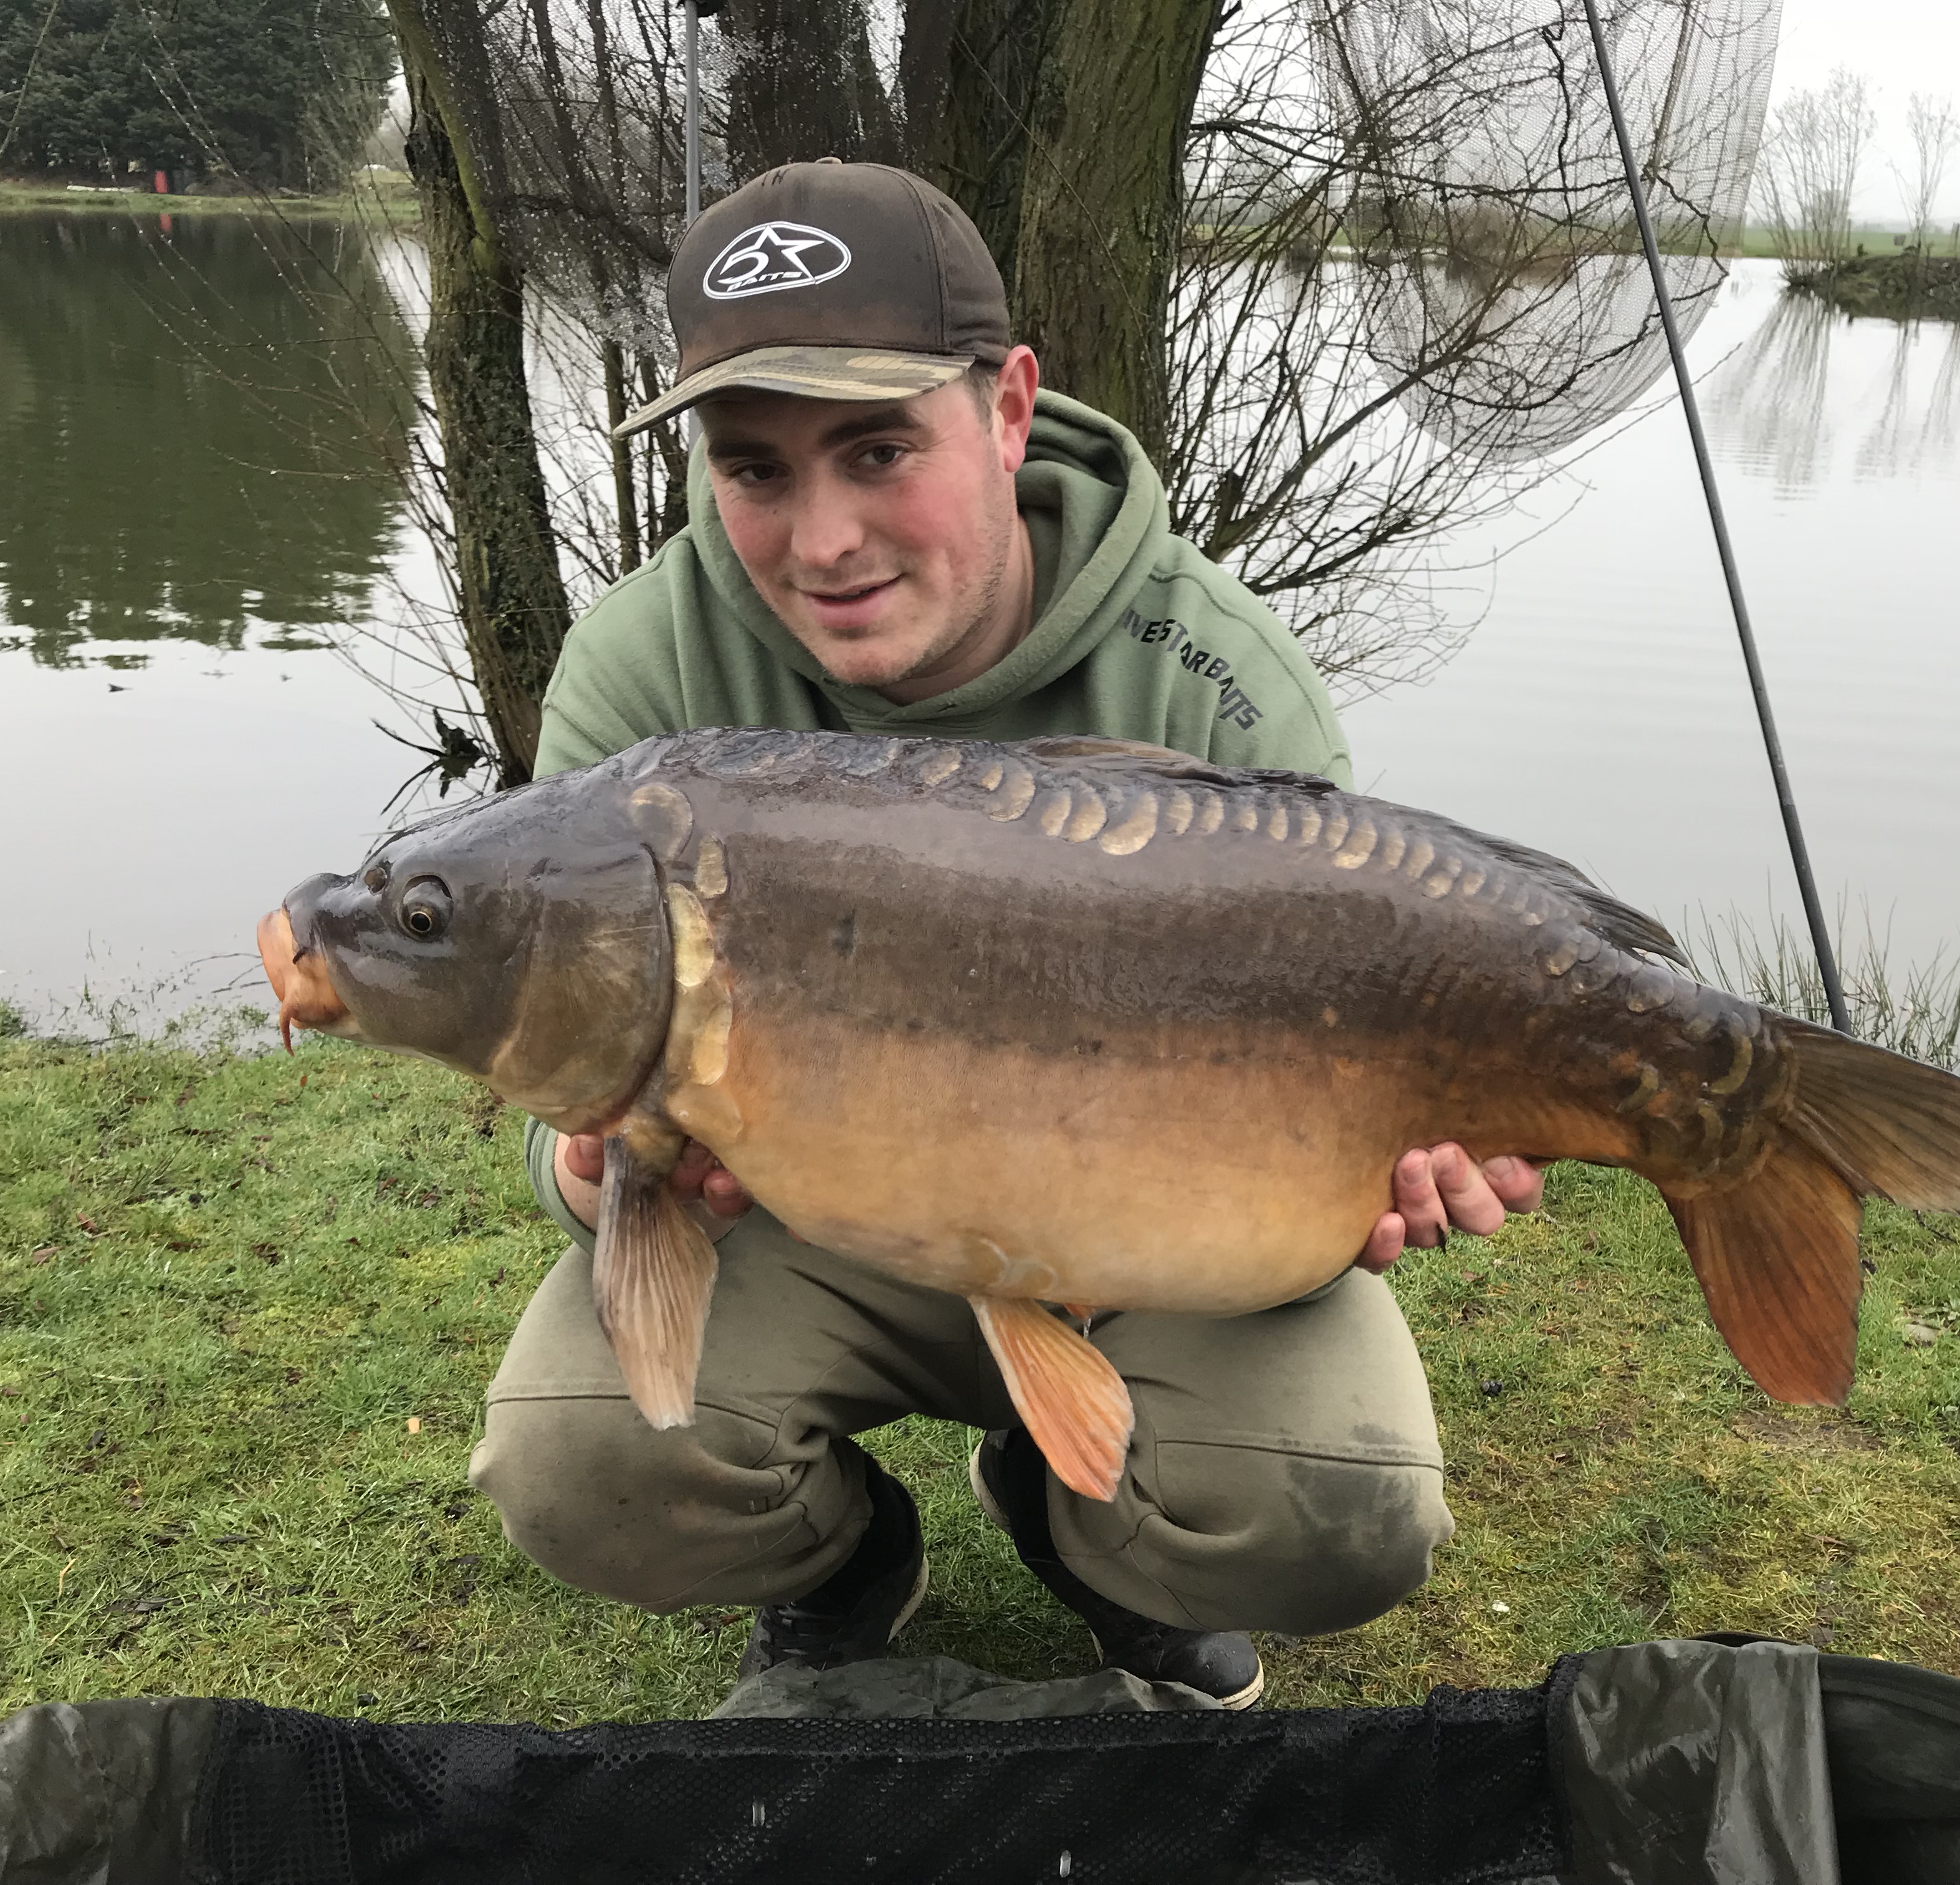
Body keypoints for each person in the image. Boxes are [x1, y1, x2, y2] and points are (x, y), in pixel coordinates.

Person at [466, 160, 1544, 1710]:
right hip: (814, 1226)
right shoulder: (646, 678)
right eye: (755, 468)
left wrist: (1394, 1164)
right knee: (578, 1455)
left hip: (1141, 1239)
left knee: (1339, 1505)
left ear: (1012, 406)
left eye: (880, 448)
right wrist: (583, 1156)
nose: (822, 539)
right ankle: (840, 1569)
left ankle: (1077, 1524)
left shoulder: (1220, 685)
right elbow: (563, 1056)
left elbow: (1353, 1079)